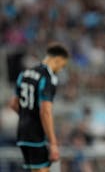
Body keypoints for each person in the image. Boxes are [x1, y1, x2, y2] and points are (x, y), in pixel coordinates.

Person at [9, 42, 69, 172]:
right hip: (36, 135)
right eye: (62, 66)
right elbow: (45, 111)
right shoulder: (48, 78)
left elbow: (13, 104)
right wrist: (53, 143)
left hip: (22, 133)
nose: (60, 70)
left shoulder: (24, 74)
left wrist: (27, 116)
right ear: (57, 60)